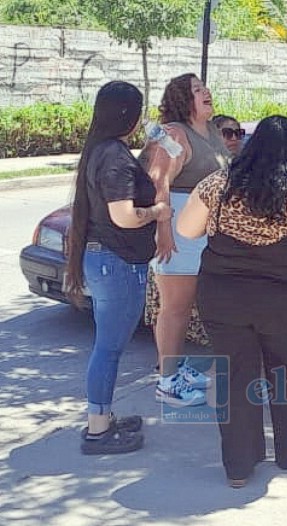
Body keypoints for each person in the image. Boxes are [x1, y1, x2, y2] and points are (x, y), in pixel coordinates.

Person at [177, 115, 287, 488]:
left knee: (235, 376)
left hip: (225, 296)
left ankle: (239, 467)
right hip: (285, 299)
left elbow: (186, 229)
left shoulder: (218, 185)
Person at [65, 81, 172, 455]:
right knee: (109, 348)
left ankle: (103, 418)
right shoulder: (112, 156)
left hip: (110, 260)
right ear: (128, 114)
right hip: (117, 262)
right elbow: (125, 217)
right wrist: (158, 212)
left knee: (108, 346)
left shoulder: (105, 151)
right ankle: (98, 429)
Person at [142, 73, 230, 407]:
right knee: (174, 309)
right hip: (180, 233)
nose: (206, 91)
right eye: (196, 90)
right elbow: (158, 182)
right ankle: (167, 381)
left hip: (205, 233)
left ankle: (177, 368)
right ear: (183, 99)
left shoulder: (211, 132)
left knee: (189, 306)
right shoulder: (174, 134)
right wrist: (164, 233)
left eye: (205, 86)